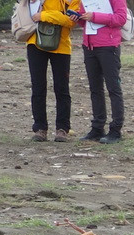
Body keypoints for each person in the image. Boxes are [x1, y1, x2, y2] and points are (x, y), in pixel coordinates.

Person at [26, 0, 81, 142]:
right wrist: (58, 16)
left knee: (62, 88)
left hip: (62, 46)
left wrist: (44, 15)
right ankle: (40, 128)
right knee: (38, 87)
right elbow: (31, 14)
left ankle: (62, 129)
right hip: (35, 42)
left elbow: (70, 21)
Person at [79, 0, 126, 143]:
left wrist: (95, 16)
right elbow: (84, 21)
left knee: (113, 88)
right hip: (89, 46)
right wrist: (79, 17)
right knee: (95, 89)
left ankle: (116, 129)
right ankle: (98, 127)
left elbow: (121, 18)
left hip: (108, 46)